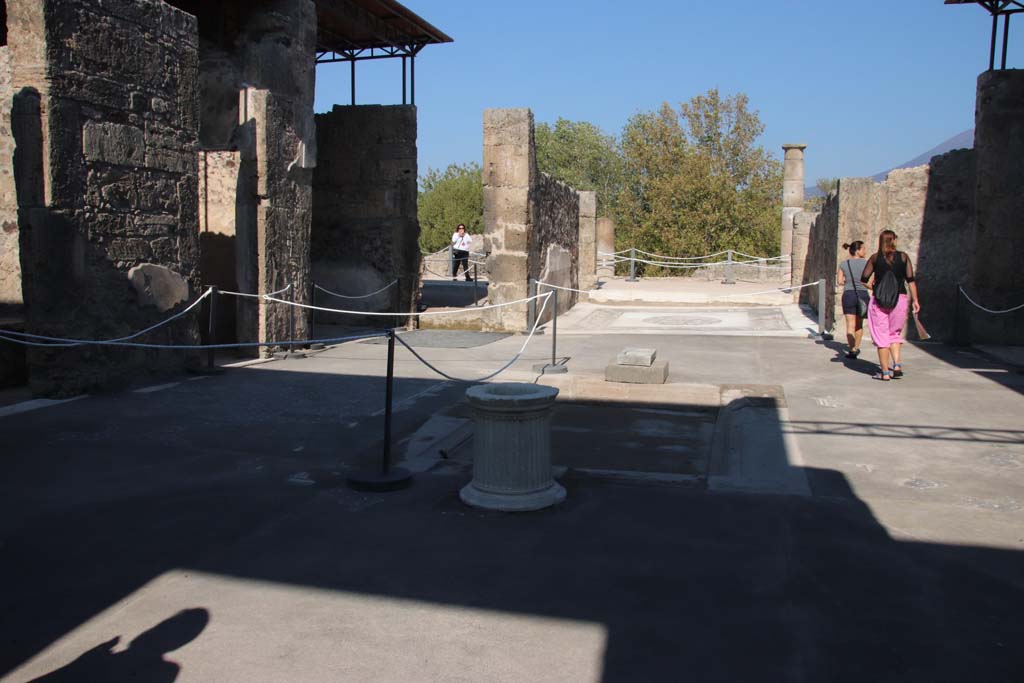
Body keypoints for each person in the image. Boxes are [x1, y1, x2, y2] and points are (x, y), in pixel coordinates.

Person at [860, 229, 921, 381]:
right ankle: (897, 365)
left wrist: (873, 288)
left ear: (881, 241)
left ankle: (885, 373)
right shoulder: (903, 257)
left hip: (879, 300)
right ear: (894, 240)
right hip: (900, 299)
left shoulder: (875, 258)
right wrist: (916, 300)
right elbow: (910, 280)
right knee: (894, 333)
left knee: (882, 336)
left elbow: (863, 279)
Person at [836, 240, 869, 358]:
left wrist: (848, 281)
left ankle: (852, 349)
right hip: (863, 294)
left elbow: (839, 281)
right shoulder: (867, 263)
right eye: (863, 249)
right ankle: (856, 347)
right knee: (859, 324)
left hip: (848, 294)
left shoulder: (844, 264)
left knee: (850, 324)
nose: (865, 251)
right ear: (858, 250)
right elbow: (870, 280)